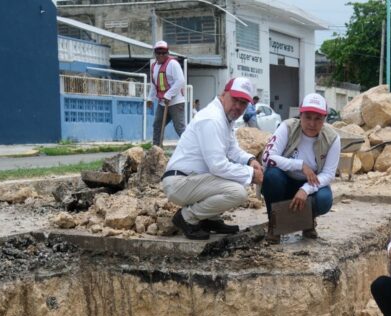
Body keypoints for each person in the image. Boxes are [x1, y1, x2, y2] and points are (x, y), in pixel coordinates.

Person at [161, 77, 263, 240]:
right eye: (235, 99)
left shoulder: (224, 118)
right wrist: (251, 175)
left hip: (192, 180)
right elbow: (218, 166)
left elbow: (232, 150)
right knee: (237, 192)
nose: (238, 106)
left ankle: (209, 219)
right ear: (224, 94)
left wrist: (250, 160)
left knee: (236, 177)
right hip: (180, 182)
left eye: (243, 103)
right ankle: (187, 217)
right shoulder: (212, 119)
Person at [260, 93, 340, 242]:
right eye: (307, 117)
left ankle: (307, 222)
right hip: (285, 181)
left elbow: (329, 174)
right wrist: (300, 165)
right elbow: (267, 158)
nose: (312, 123)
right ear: (300, 115)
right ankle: (274, 223)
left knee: (324, 199)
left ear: (324, 119)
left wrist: (305, 189)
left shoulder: (332, 138)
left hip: (310, 185)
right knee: (271, 177)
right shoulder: (287, 127)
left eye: (318, 119)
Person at [146, 41, 186, 147]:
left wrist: (169, 95)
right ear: (155, 53)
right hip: (162, 102)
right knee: (157, 125)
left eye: (163, 53)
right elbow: (154, 84)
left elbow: (180, 81)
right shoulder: (154, 66)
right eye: (158, 53)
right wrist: (150, 98)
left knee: (179, 128)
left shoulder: (173, 64)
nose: (161, 55)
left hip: (176, 102)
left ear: (167, 53)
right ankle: (156, 150)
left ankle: (191, 148)